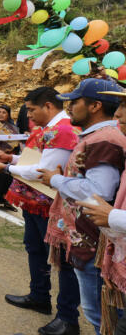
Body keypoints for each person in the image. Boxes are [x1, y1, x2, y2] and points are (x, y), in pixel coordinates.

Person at [0, 87, 81, 335]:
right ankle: (39, 295)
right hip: (35, 201)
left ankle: (67, 317)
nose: (29, 116)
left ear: (48, 106)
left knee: (63, 261)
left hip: (51, 203)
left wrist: (6, 169)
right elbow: (38, 161)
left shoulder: (61, 130)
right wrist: (10, 159)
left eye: (31, 110)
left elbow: (43, 172)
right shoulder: (48, 130)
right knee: (35, 248)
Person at [38, 78, 126, 333]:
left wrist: (56, 179)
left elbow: (98, 192)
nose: (69, 108)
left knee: (101, 316)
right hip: (89, 237)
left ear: (95, 106)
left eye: (75, 102)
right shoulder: (99, 137)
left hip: (91, 239)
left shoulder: (105, 139)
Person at [77, 88, 126, 335]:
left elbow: (100, 192)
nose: (118, 114)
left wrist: (112, 216)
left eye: (125, 107)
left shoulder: (105, 140)